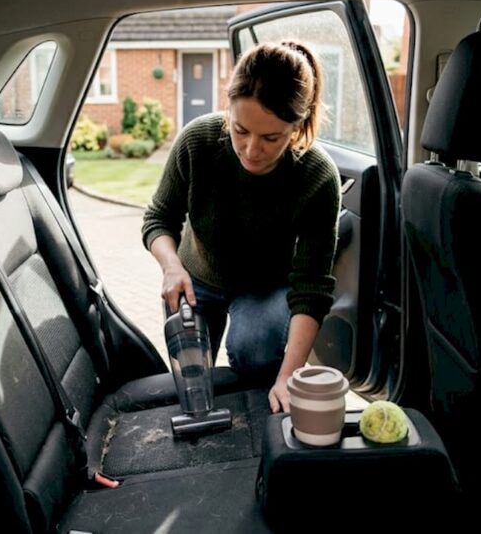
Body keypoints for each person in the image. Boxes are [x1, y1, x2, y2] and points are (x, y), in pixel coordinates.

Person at [142, 40, 341, 414]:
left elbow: (312, 286)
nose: (251, 150)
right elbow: (158, 218)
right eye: (240, 130)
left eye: (271, 138)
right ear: (228, 111)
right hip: (195, 278)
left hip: (265, 288)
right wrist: (171, 266)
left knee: (256, 354)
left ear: (297, 127)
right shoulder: (198, 142)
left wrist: (288, 376)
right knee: (191, 373)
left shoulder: (316, 176)